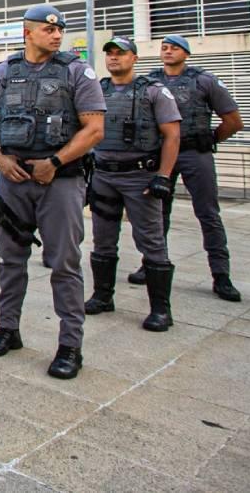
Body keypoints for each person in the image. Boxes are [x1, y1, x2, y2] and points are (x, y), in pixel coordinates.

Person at [0, 5, 105, 381]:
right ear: (27, 33)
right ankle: (8, 329)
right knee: (10, 260)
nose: (57, 34)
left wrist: (55, 161)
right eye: (48, 29)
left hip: (59, 182)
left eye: (60, 29)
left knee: (64, 264)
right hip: (13, 180)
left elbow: (94, 129)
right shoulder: (2, 72)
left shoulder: (76, 71)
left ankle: (70, 346)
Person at [85, 37, 181, 332]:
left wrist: (163, 176)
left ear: (134, 58)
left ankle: (161, 310)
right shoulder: (97, 90)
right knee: (103, 239)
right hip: (104, 176)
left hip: (139, 176)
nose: (114, 58)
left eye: (121, 53)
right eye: (110, 54)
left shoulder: (154, 91)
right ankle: (102, 296)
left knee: (151, 241)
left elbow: (172, 135)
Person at [139, 35, 244, 302]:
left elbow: (233, 121)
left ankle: (221, 275)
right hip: (162, 153)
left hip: (195, 153)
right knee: (157, 213)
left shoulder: (204, 81)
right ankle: (152, 263)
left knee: (208, 214)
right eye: (164, 48)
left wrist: (209, 140)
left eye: (174, 48)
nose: (168, 52)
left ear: (186, 53)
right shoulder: (150, 81)